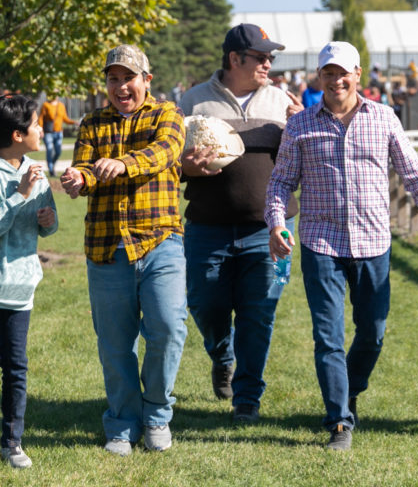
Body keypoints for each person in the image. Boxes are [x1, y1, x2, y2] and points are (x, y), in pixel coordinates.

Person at [265, 41, 418, 451]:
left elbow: (417, 177)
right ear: (319, 78)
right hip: (321, 243)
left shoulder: (383, 118)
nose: (336, 81)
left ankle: (349, 389)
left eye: (343, 73)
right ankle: (339, 421)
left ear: (357, 74)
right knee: (328, 335)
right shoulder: (301, 126)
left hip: (372, 243)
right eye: (328, 74)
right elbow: (281, 182)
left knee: (373, 333)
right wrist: (277, 223)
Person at [60, 45, 187, 456]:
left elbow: (165, 151)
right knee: (115, 344)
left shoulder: (167, 114)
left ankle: (156, 415)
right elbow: (84, 166)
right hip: (106, 246)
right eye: (113, 79)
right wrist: (77, 178)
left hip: (159, 241)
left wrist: (124, 163)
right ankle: (121, 422)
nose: (120, 87)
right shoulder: (93, 121)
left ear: (146, 80)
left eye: (128, 78)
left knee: (168, 329)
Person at [180, 24, 300, 423]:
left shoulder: (283, 102)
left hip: (268, 232)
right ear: (235, 59)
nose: (269, 63)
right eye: (261, 56)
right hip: (206, 228)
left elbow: (301, 164)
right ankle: (222, 355)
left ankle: (247, 396)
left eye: (271, 57)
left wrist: (301, 129)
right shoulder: (193, 102)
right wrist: (187, 166)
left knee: (259, 313)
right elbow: (171, 164)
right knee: (205, 304)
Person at [0, 96, 58, 469]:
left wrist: (47, 218)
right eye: (36, 125)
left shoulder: (37, 172)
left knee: (16, 367)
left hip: (19, 289)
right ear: (18, 134)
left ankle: (11, 441)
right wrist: (19, 194)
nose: (42, 129)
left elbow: (50, 229)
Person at [38, 96, 77, 176]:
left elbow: (65, 119)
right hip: (48, 132)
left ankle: (52, 163)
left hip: (59, 133)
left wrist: (74, 122)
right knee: (49, 149)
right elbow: (41, 118)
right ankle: (51, 170)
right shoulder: (45, 105)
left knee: (58, 152)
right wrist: (41, 130)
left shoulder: (61, 106)